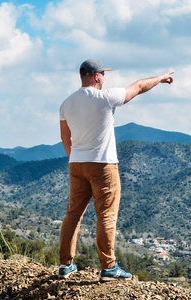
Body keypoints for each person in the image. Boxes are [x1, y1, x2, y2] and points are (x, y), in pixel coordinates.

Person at [58, 59, 174, 281]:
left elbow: (65, 138)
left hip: (76, 163)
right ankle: (108, 267)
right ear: (97, 76)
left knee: (73, 214)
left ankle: (65, 265)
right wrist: (159, 79)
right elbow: (139, 87)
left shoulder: (66, 103)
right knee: (106, 216)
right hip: (103, 165)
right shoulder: (104, 98)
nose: (104, 78)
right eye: (103, 74)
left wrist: (76, 158)